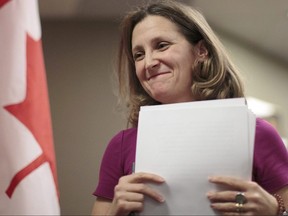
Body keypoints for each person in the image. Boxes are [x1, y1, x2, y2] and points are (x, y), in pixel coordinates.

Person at [92, 0, 288, 215]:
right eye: (139, 55)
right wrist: (115, 211)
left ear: (201, 51)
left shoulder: (257, 134)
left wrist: (275, 209)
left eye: (161, 45)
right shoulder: (120, 146)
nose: (148, 62)